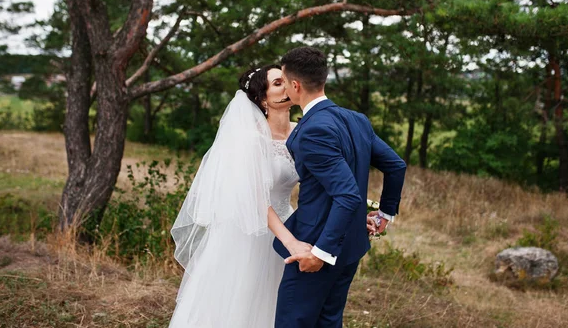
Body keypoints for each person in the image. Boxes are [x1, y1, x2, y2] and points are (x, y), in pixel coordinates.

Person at [273, 46, 407, 327]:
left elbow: (347, 194)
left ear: (295, 85)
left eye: (284, 82)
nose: (285, 87)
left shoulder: (312, 130)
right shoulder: (356, 119)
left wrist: (320, 253)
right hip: (351, 246)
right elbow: (396, 166)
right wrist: (385, 214)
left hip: (316, 248)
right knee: (328, 321)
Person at [169, 64, 311, 327]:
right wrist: (289, 241)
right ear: (263, 99)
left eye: (286, 80)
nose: (288, 84)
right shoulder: (251, 140)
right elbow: (257, 199)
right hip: (251, 232)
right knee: (243, 303)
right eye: (278, 83)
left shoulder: (302, 131)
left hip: (289, 222)